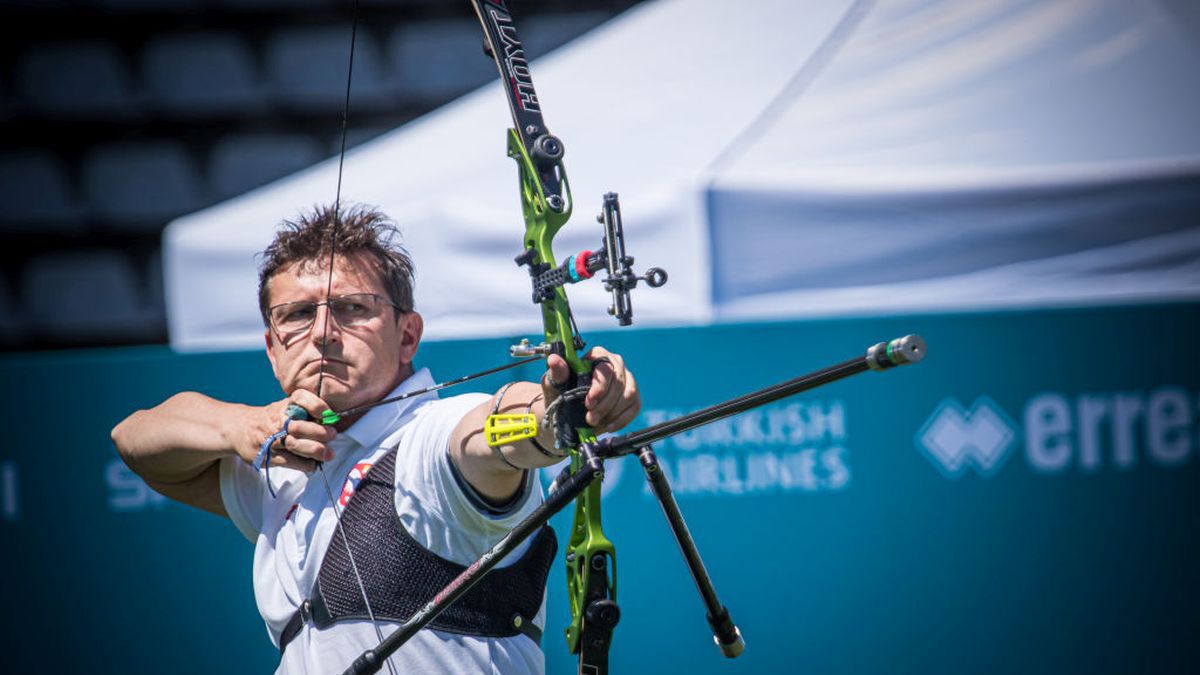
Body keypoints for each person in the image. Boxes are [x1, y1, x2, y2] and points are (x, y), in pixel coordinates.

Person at [111, 204, 641, 674]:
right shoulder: (279, 471)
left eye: (352, 308)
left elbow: (494, 431)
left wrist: (557, 409)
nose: (322, 332)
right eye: (297, 314)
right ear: (272, 349)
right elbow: (134, 438)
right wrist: (240, 428)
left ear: (407, 334)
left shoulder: (429, 440)